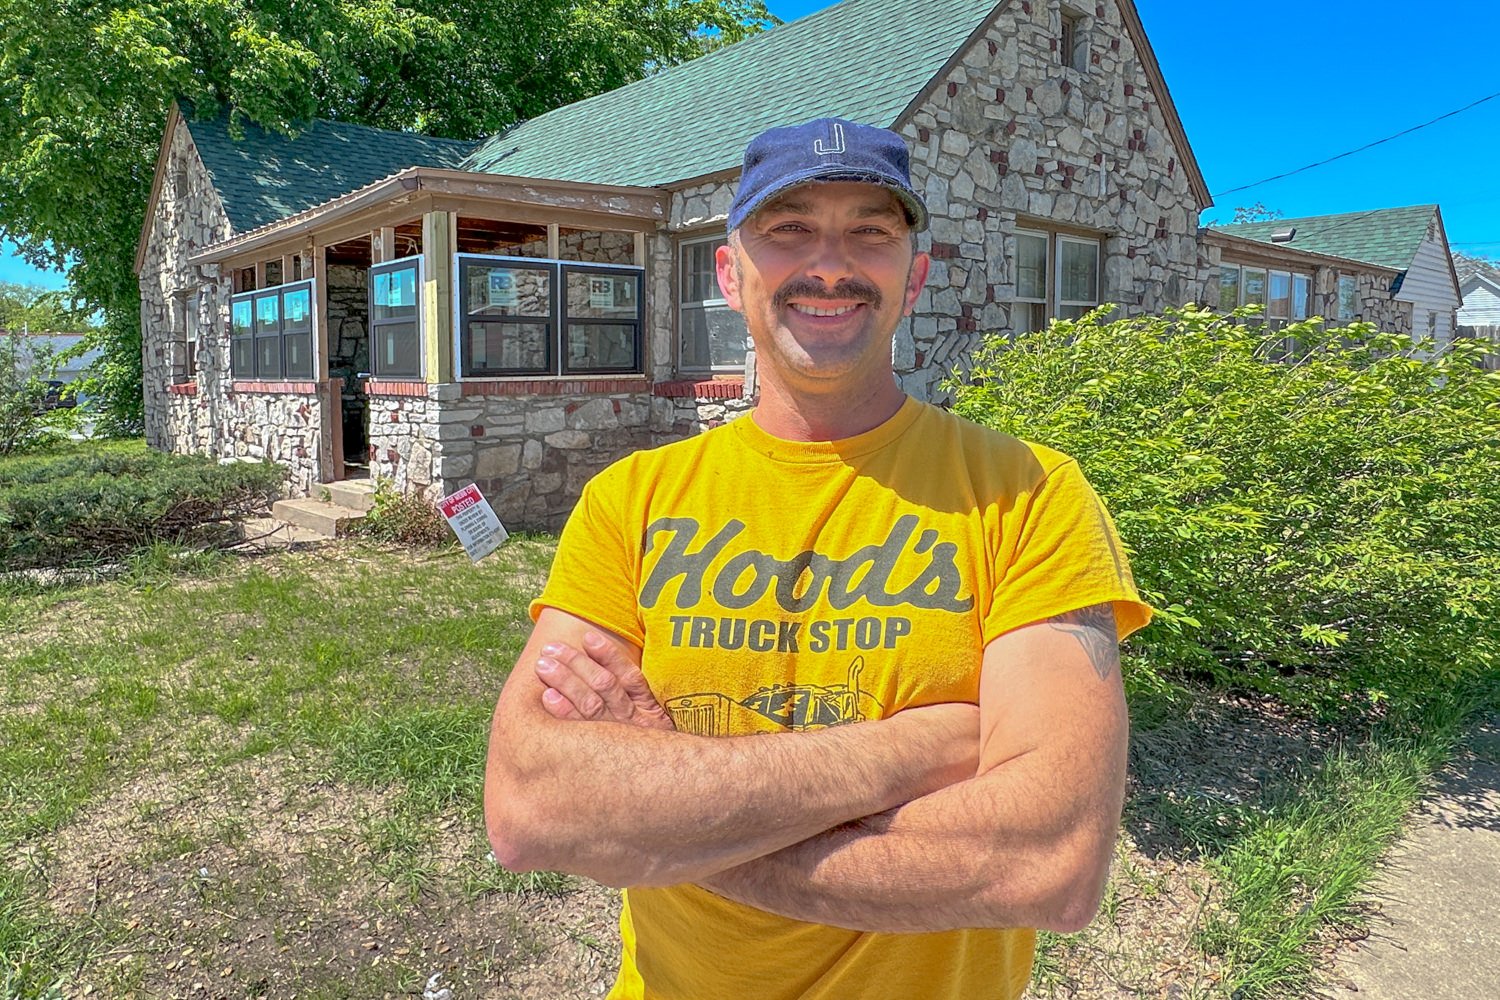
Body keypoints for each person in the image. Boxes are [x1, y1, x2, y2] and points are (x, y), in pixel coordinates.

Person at [484, 117, 1151, 1000]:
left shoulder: (1027, 493)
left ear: (912, 278)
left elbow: (1048, 860)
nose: (829, 262)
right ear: (730, 273)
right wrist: (915, 749)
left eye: (870, 232)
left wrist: (677, 823)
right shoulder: (632, 501)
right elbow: (533, 809)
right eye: (789, 227)